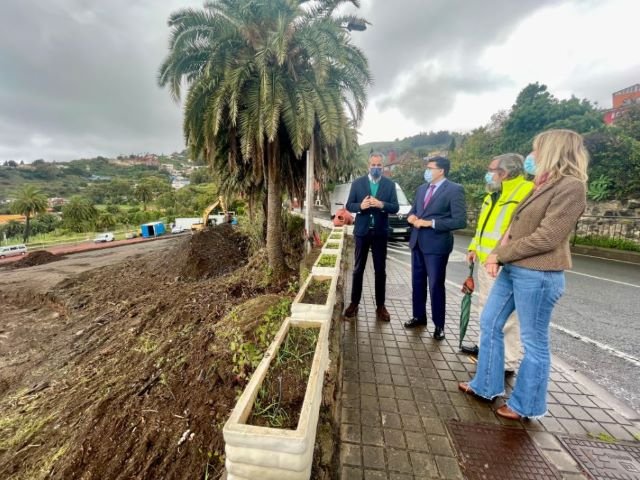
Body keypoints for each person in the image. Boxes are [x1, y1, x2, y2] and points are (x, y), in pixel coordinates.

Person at [459, 129, 588, 420]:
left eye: (537, 150)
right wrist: (495, 253)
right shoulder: (540, 184)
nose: (532, 157)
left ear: (553, 151)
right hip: (513, 269)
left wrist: (501, 254)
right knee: (490, 322)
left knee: (534, 342)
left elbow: (547, 237)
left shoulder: (571, 187)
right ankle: (485, 385)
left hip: (539, 275)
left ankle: (525, 405)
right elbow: (514, 226)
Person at [464, 154, 534, 373]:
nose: (488, 173)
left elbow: (518, 231)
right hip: (486, 262)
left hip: (505, 263)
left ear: (504, 172)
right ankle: (486, 348)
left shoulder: (525, 191)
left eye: (491, 169)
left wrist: (500, 255)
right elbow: (483, 226)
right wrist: (474, 246)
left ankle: (507, 362)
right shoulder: (492, 194)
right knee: (485, 307)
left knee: (507, 316)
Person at [405, 156, 466, 339]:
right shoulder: (421, 189)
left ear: (441, 171)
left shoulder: (454, 190)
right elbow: (413, 210)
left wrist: (430, 223)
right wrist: (411, 217)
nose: (427, 171)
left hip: (437, 246)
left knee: (435, 285)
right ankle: (419, 316)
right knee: (417, 283)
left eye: (430, 168)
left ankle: (439, 325)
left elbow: (459, 220)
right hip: (417, 243)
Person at [344, 152, 399, 322]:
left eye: (379, 165)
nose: (376, 168)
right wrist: (360, 206)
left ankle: (380, 306)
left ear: (383, 166)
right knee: (358, 269)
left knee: (380, 270)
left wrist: (382, 204)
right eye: (373, 165)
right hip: (362, 232)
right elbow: (349, 205)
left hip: (380, 233)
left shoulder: (389, 185)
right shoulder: (358, 183)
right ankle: (354, 303)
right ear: (368, 165)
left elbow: (395, 207)